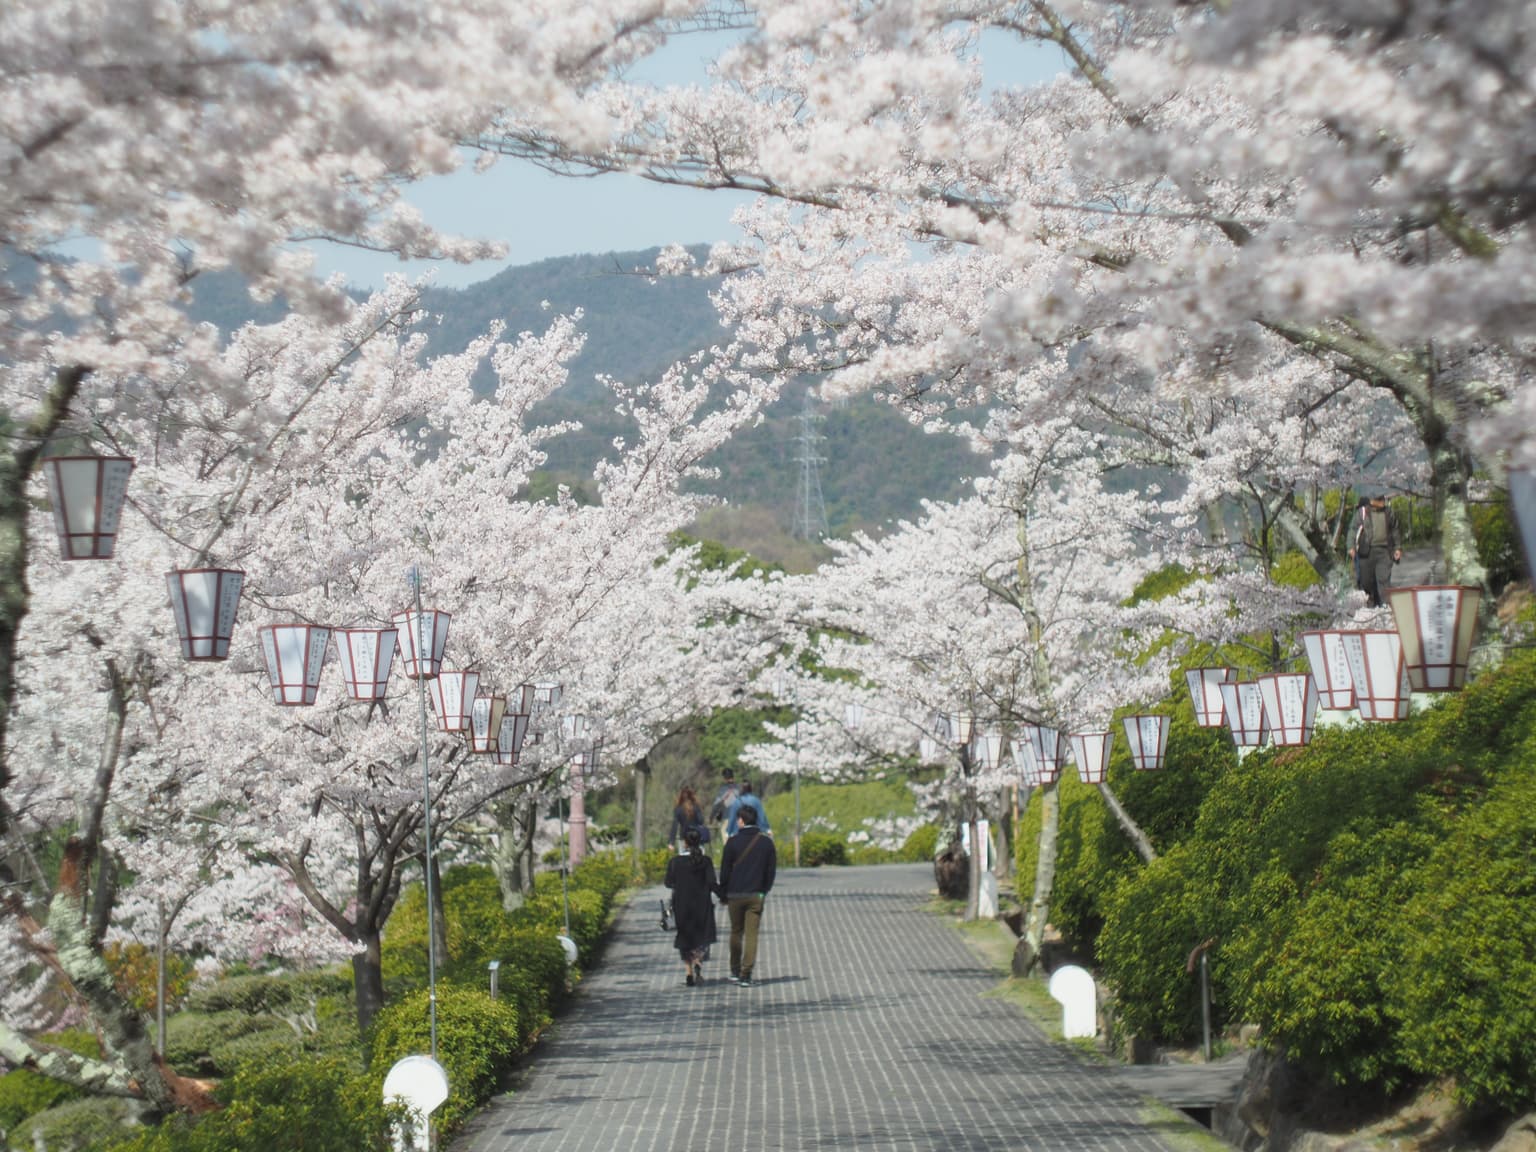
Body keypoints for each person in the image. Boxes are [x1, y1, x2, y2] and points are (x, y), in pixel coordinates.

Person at [716, 803, 776, 987]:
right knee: (752, 934)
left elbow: (725, 871)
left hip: (735, 893)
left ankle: (734, 969)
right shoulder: (766, 843)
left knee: (736, 931)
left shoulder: (732, 843)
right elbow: (770, 871)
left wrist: (723, 893)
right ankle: (746, 973)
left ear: (741, 821)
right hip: (755, 894)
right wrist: (764, 890)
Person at [664, 827, 718, 987]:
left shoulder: (675, 862)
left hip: (682, 905)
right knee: (701, 937)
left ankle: (688, 972)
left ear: (685, 843)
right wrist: (723, 896)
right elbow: (712, 883)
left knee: (685, 937)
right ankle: (698, 962)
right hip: (702, 905)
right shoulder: (706, 861)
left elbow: (668, 883)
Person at [1348, 492, 1402, 608]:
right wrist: (1351, 546)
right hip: (1366, 552)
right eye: (1380, 499)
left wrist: (1397, 547)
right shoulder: (1363, 513)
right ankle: (1370, 608)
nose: (1383, 501)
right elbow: (1353, 529)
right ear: (1372, 501)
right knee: (1366, 582)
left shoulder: (1388, 513)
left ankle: (1386, 608)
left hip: (1384, 552)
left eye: (1383, 499)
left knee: (1384, 582)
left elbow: (1395, 530)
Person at [667, 786, 709, 855]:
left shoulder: (678, 809)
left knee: (684, 859)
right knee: (699, 858)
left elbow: (674, 826)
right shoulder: (696, 806)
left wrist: (671, 842)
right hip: (696, 837)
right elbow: (701, 821)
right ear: (692, 795)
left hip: (683, 838)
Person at [708, 768, 741, 842]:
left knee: (726, 840)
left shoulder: (723, 790)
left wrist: (711, 818)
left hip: (727, 818)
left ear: (724, 778)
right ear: (733, 776)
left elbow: (716, 805)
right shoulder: (739, 788)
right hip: (741, 819)